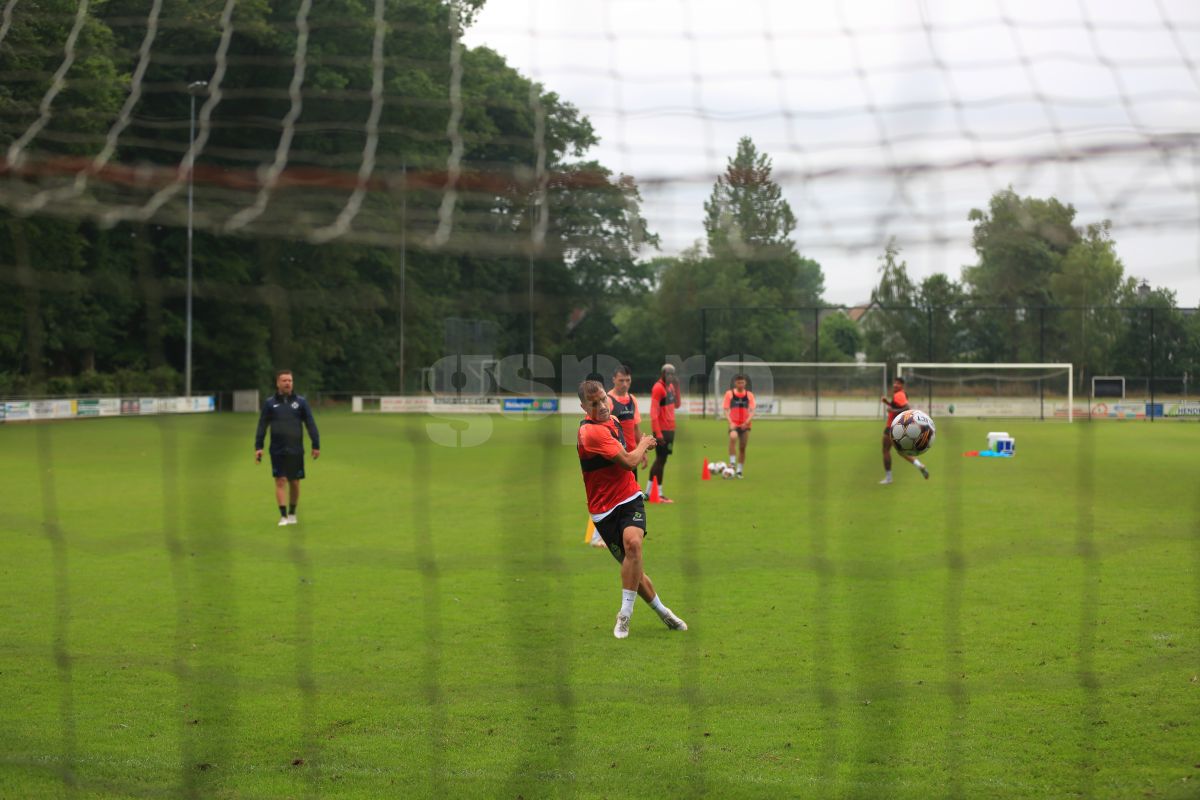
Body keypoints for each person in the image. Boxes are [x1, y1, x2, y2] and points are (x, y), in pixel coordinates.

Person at [576, 379, 687, 639]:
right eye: (594, 404)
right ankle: (664, 612)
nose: (602, 406)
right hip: (603, 510)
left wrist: (639, 449)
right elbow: (627, 461)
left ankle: (625, 614)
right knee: (633, 568)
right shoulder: (590, 432)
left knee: (634, 546)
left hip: (629, 497)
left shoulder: (613, 421)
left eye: (603, 399)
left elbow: (626, 455)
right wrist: (644, 444)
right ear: (584, 407)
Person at [255, 370, 320, 525]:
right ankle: (283, 516)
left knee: (294, 482)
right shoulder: (270, 403)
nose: (287, 383)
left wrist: (315, 444)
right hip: (277, 449)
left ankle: (292, 513)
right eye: (284, 380)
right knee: (280, 481)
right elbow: (262, 425)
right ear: (278, 383)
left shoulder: (301, 402)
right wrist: (258, 446)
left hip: (295, 449)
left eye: (290, 380)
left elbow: (310, 423)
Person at [880, 376, 928, 484]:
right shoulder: (900, 394)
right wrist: (887, 403)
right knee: (901, 451)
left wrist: (892, 409)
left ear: (902, 385)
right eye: (894, 383)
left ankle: (888, 478)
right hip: (898, 426)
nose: (895, 385)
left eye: (898, 383)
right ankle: (919, 465)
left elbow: (906, 408)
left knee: (885, 450)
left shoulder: (899, 394)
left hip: (891, 426)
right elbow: (898, 407)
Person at [647, 363, 682, 502]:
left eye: (673, 374)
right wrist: (658, 433)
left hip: (670, 430)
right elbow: (653, 413)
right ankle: (659, 493)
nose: (671, 376)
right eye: (668, 374)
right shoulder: (658, 388)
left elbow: (677, 405)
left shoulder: (671, 387)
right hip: (662, 431)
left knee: (662, 460)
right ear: (662, 374)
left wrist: (677, 387)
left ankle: (648, 492)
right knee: (660, 460)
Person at [723, 373, 756, 478]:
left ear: (745, 383)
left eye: (742, 382)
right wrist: (730, 422)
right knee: (733, 437)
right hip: (734, 424)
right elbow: (726, 410)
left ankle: (739, 471)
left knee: (742, 448)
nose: (740, 384)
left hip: (745, 425)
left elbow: (752, 411)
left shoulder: (749, 395)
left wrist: (746, 422)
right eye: (738, 382)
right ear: (735, 383)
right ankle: (732, 463)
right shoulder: (729, 394)